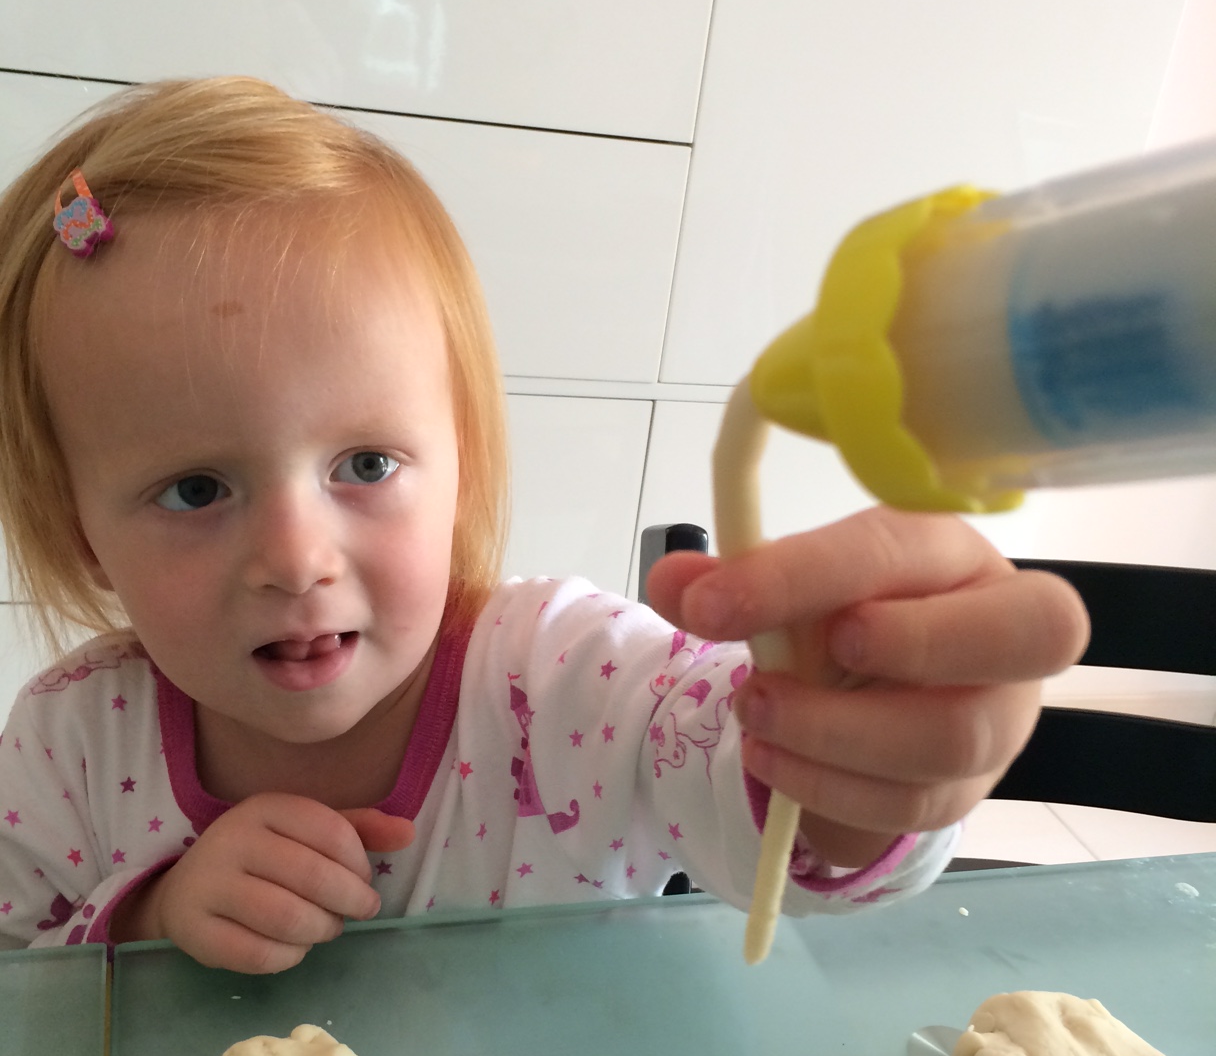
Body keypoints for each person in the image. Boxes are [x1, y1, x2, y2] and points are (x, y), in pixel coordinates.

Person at [0, 78, 1087, 973]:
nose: (295, 561)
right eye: (195, 490)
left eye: (366, 465)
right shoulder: (69, 748)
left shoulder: (568, 680)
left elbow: (765, 812)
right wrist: (147, 922)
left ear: (460, 467)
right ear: (81, 530)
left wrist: (855, 753)